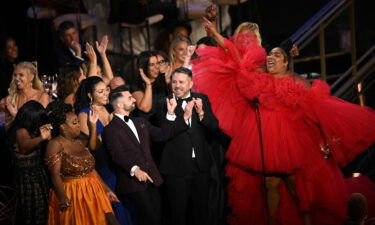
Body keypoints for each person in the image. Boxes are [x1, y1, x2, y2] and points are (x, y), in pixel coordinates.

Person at [192, 15, 375, 225]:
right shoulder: (260, 79)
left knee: (295, 187)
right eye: (269, 54)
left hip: (290, 141)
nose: (270, 57)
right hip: (266, 139)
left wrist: (324, 140)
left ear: (286, 62)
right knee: (269, 184)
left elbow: (316, 111)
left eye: (277, 55)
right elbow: (236, 56)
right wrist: (215, 34)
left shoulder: (297, 81)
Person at [102, 85, 178, 225]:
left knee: (158, 218)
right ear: (119, 103)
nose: (134, 100)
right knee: (148, 220)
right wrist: (135, 169)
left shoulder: (140, 122)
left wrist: (170, 113)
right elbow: (117, 155)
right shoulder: (110, 130)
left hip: (152, 178)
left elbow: (163, 135)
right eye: (130, 97)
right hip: (134, 183)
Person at [155, 67, 219, 225]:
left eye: (181, 82)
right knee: (178, 214)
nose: (177, 85)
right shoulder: (163, 104)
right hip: (175, 168)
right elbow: (164, 134)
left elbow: (214, 127)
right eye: (174, 82)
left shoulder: (201, 98)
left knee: (202, 211)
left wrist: (202, 113)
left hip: (200, 166)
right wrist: (183, 118)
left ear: (191, 84)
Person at [45, 100, 120, 224]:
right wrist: (63, 197)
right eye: (75, 123)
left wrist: (106, 189)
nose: (79, 125)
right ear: (63, 127)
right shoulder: (55, 144)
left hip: (93, 192)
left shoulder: (78, 141)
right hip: (74, 194)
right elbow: (55, 174)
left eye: (78, 122)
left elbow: (92, 168)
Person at [75, 76, 133, 225]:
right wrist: (110, 129)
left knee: (128, 209)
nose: (106, 94)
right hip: (103, 168)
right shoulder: (84, 114)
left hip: (119, 165)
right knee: (114, 211)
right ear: (90, 95)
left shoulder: (110, 109)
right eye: (100, 92)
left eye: (106, 90)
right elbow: (90, 148)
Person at [8, 100, 52, 225]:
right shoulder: (20, 130)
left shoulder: (31, 129)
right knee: (29, 214)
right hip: (26, 182)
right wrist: (41, 138)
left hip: (38, 178)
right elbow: (24, 146)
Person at [0, 61, 50, 128]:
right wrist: (3, 110)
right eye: (15, 75)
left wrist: (15, 115)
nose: (17, 79)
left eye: (21, 75)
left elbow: (41, 124)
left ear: (31, 77)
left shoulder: (42, 97)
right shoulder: (10, 99)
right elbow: (2, 124)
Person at [132, 51, 169, 124]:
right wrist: (148, 84)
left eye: (157, 63)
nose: (157, 67)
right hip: (146, 127)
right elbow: (146, 108)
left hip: (163, 124)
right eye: (152, 65)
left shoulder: (163, 79)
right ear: (143, 67)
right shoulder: (137, 84)